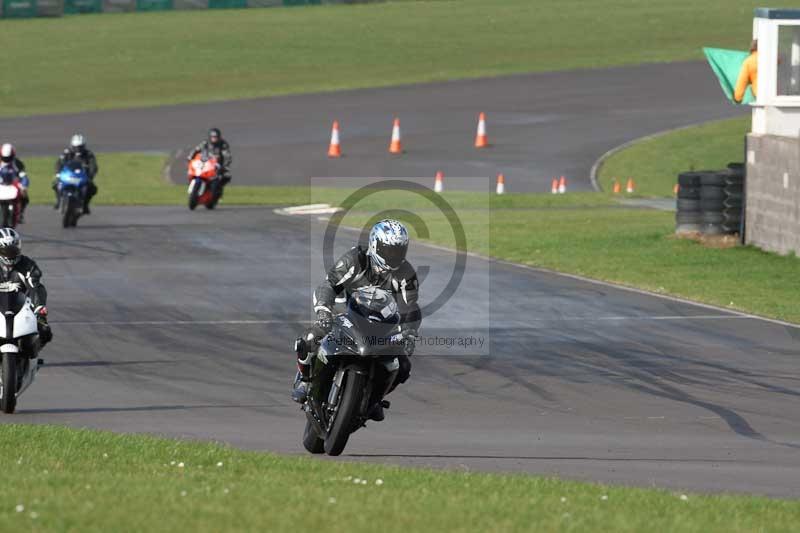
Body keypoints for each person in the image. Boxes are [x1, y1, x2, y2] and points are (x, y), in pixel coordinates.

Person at [291, 219, 421, 421]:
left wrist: (409, 334)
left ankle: (373, 399)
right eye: (389, 250)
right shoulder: (356, 259)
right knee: (309, 339)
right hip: (343, 317)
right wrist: (324, 312)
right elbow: (328, 285)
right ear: (375, 245)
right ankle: (306, 381)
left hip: (380, 328)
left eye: (399, 250)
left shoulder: (406, 274)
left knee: (403, 366)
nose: (394, 256)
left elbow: (410, 308)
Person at [0, 228, 52, 353]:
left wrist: (40, 309)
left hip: (22, 308)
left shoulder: (27, 265)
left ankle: (32, 356)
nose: (10, 254)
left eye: (13, 250)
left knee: (45, 331)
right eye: (6, 251)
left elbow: (36, 287)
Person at [53, 134, 99, 214]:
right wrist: (58, 173)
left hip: (82, 176)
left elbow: (93, 166)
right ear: (72, 145)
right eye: (76, 147)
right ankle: (58, 201)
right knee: (56, 184)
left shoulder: (88, 154)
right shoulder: (66, 152)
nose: (78, 149)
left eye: (80, 147)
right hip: (68, 175)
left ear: (83, 146)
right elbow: (59, 163)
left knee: (92, 188)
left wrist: (90, 176)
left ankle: (85, 205)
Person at [187, 128, 232, 196]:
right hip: (206, 163)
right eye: (213, 137)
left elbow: (227, 156)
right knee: (194, 171)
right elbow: (196, 149)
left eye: (216, 137)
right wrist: (190, 157)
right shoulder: (205, 143)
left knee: (225, 176)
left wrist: (225, 166)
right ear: (210, 137)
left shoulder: (223, 144)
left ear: (219, 137)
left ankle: (217, 192)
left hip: (218, 165)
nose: (214, 139)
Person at [0, 144, 30, 222]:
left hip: (13, 184)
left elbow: (23, 175)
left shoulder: (17, 163)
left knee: (25, 196)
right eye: (5, 158)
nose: (6, 160)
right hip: (1, 184)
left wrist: (24, 185)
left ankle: (21, 213)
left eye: (8, 158)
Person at [734, 40, 758, 104]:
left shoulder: (748, 61)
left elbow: (742, 81)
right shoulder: (772, 58)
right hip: (780, 95)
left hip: (761, 96)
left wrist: (738, 98)